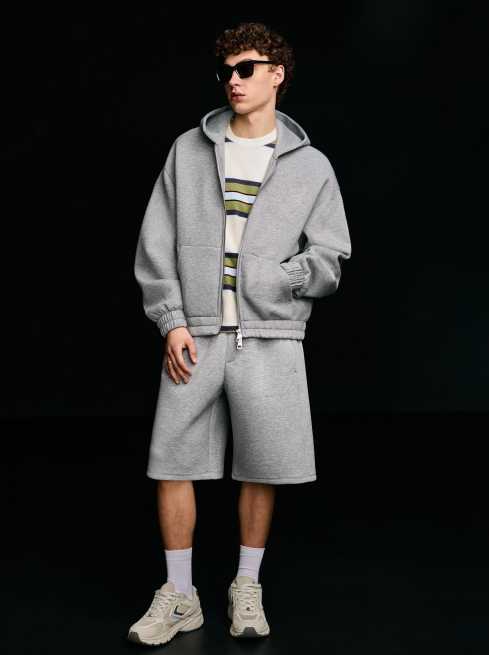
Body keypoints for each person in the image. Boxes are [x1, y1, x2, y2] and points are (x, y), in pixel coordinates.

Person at [127, 21, 352, 646]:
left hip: (271, 337)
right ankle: (180, 596)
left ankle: (245, 585)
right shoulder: (188, 150)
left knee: (262, 466)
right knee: (172, 462)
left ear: (277, 74)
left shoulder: (311, 166)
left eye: (246, 68)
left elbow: (331, 256)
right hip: (196, 335)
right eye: (226, 70)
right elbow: (155, 243)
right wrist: (172, 320)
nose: (233, 80)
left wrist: (284, 277)